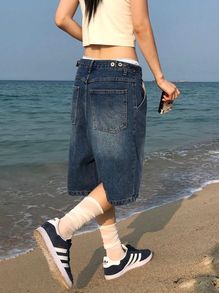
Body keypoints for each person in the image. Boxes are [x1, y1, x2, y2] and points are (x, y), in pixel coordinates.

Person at [33, 0, 181, 289]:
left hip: (85, 72)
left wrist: (90, 39)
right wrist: (160, 77)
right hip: (119, 74)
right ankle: (62, 229)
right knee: (122, 172)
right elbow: (140, 26)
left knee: (99, 170)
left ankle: (115, 255)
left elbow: (62, 19)